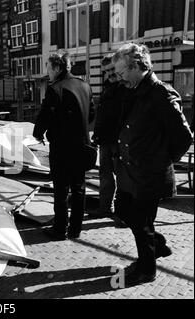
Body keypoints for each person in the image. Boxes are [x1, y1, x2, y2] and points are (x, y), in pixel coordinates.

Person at [112, 43, 193, 286]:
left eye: (122, 72)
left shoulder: (160, 93)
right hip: (130, 171)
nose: (119, 78)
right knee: (125, 212)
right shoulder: (135, 89)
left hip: (149, 173)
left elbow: (183, 137)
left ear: (136, 66)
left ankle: (147, 269)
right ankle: (156, 244)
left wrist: (161, 159)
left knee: (141, 222)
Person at [33, 51, 95, 240]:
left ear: (57, 68)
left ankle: (60, 229)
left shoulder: (55, 88)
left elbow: (46, 114)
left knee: (61, 189)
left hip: (62, 147)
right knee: (79, 187)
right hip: (82, 145)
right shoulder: (85, 85)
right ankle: (76, 228)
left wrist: (38, 133)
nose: (48, 73)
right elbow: (91, 114)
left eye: (49, 68)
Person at [91, 54, 127, 228]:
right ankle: (105, 207)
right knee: (105, 175)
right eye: (106, 71)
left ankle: (122, 213)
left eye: (112, 70)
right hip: (106, 139)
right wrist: (96, 134)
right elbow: (102, 114)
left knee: (123, 178)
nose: (110, 74)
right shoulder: (107, 87)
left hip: (120, 140)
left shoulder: (126, 87)